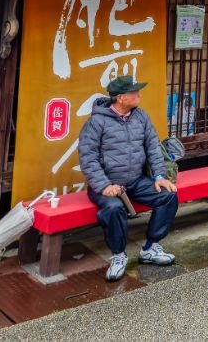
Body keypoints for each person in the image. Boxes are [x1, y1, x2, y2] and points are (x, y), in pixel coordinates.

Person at [78, 75, 178, 282]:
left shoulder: (141, 116)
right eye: (135, 92)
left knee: (168, 195)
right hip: (107, 184)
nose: (139, 95)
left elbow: (153, 147)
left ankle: (150, 248)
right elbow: (88, 157)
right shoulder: (96, 122)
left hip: (135, 180)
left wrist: (159, 176)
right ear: (121, 98)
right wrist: (104, 185)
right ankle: (118, 255)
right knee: (113, 208)